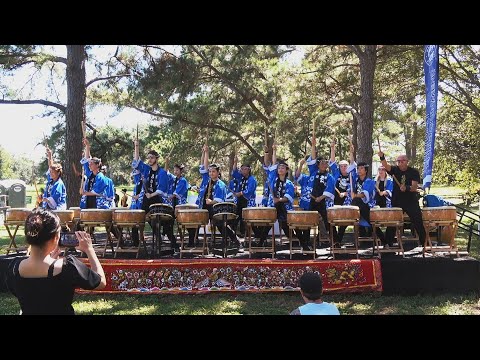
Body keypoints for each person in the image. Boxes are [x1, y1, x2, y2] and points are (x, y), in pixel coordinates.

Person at [4, 208, 106, 315]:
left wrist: (51, 261)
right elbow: (100, 282)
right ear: (56, 237)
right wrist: (89, 250)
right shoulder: (68, 267)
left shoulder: (13, 267)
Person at [378, 151, 426, 247]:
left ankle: (424, 242)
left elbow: (414, 187)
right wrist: (382, 157)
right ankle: (388, 243)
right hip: (397, 200)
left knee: (418, 221)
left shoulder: (414, 172)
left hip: (410, 201)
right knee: (392, 222)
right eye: (398, 161)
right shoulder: (395, 170)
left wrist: (407, 188)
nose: (400, 163)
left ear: (407, 161)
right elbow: (386, 166)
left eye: (402, 161)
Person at [79, 138, 111, 209]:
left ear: (97, 165)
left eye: (91, 164)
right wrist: (87, 146)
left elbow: (96, 192)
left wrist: (84, 193)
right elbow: (87, 159)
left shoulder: (101, 177)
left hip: (98, 203)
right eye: (89, 164)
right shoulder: (90, 174)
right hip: (88, 201)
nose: (89, 165)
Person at [231, 155, 257, 238]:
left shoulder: (252, 179)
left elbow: (250, 190)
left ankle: (247, 235)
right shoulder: (240, 177)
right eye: (242, 169)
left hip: (247, 200)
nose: (243, 170)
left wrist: (241, 193)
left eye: (245, 169)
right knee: (237, 217)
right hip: (239, 200)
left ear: (249, 170)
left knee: (246, 219)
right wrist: (235, 162)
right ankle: (235, 235)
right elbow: (234, 172)